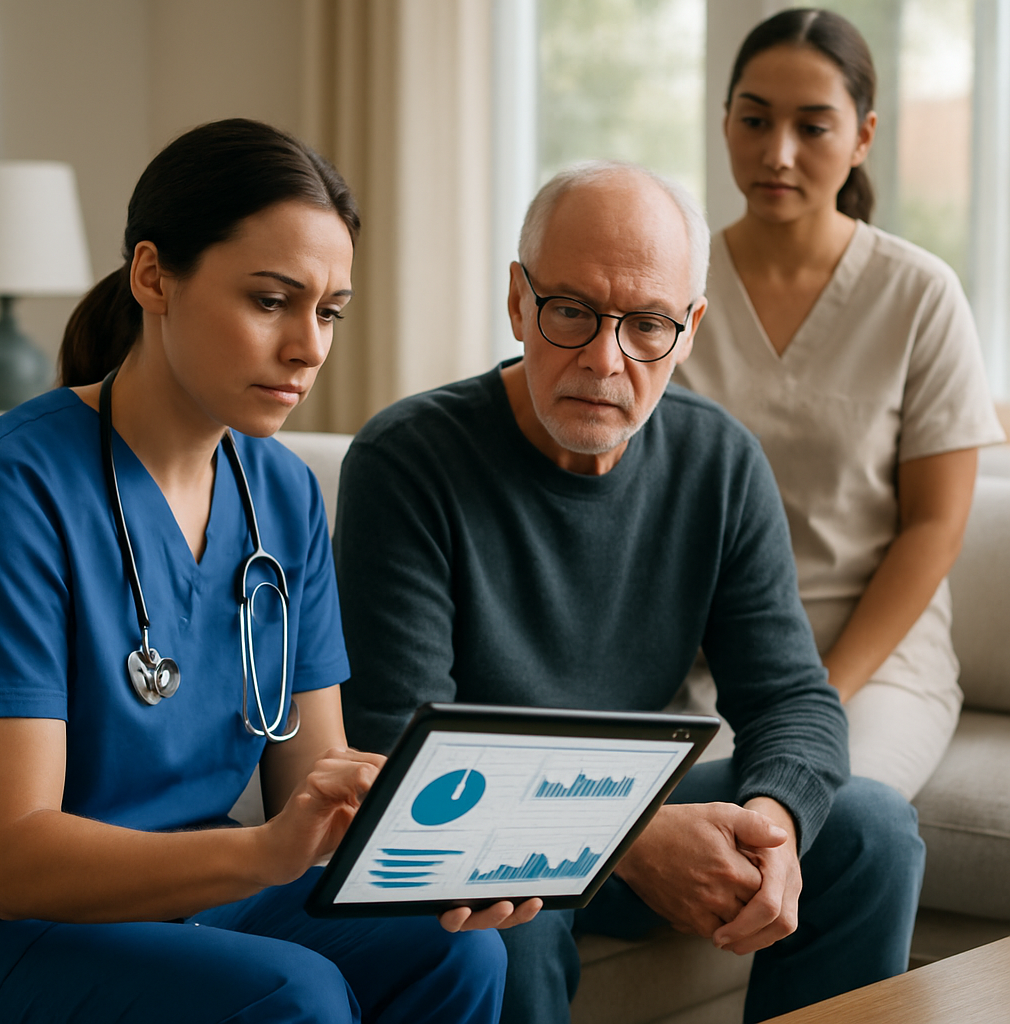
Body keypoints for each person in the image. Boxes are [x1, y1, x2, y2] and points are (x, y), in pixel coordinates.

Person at [333, 160, 925, 1024]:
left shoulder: (718, 462)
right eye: (571, 311)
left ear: (688, 332)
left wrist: (776, 819)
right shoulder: (408, 462)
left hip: (628, 802)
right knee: (508, 926)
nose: (605, 360)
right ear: (518, 302)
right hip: (478, 833)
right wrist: (631, 838)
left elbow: (793, 697)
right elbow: (403, 756)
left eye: (647, 324)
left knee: (871, 827)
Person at [0, 118, 539, 1024]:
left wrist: (448, 852)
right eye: (271, 300)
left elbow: (313, 784)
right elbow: (13, 863)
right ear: (153, 275)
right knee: (297, 993)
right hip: (36, 925)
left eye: (328, 311)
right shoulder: (17, 489)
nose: (309, 347)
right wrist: (260, 857)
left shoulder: (281, 492)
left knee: (459, 950)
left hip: (206, 901)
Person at [673, 8, 1006, 801]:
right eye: (753, 119)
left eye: (812, 127)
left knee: (823, 812)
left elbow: (936, 524)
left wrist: (821, 689)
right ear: (724, 123)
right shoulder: (674, 282)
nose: (776, 152)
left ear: (862, 137)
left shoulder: (919, 295)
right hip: (707, 659)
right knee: (660, 822)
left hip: (874, 665)